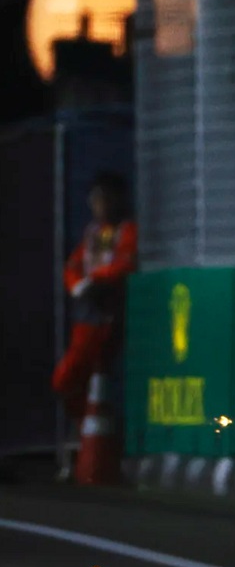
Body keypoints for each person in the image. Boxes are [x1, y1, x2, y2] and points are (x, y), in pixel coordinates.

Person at [51, 172, 138, 476]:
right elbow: (73, 266)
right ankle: (85, 430)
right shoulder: (92, 233)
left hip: (111, 320)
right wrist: (78, 284)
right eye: (95, 198)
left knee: (105, 383)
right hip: (86, 322)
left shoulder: (127, 231)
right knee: (68, 381)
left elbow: (126, 264)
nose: (98, 205)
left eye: (103, 197)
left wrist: (97, 281)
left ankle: (109, 447)